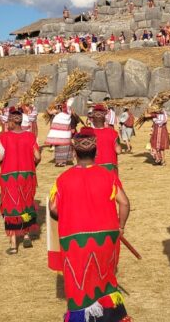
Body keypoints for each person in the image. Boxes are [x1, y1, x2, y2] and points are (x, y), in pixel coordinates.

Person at [49, 131, 132, 322]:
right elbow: (125, 203)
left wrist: (70, 211)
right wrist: (121, 227)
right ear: (96, 151)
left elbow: (54, 208)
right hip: (106, 239)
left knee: (80, 287)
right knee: (105, 281)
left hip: (75, 242)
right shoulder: (108, 175)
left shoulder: (63, 179)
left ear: (74, 152)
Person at [0, 108, 40, 254]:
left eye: (8, 120)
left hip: (10, 176)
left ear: (13, 122)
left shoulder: (5, 137)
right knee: (26, 203)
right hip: (27, 176)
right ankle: (26, 235)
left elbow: (1, 156)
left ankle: (14, 245)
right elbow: (38, 156)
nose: (7, 123)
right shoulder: (30, 136)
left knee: (12, 206)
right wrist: (32, 166)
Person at [88, 104, 120, 172]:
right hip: (110, 168)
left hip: (93, 168)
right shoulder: (114, 133)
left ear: (92, 120)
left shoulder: (88, 134)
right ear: (104, 119)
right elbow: (118, 151)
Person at [45, 99, 77, 167]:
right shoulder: (60, 109)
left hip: (64, 132)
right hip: (60, 133)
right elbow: (51, 112)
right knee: (59, 147)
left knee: (64, 147)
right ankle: (59, 162)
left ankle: (62, 162)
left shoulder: (68, 110)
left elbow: (70, 102)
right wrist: (49, 108)